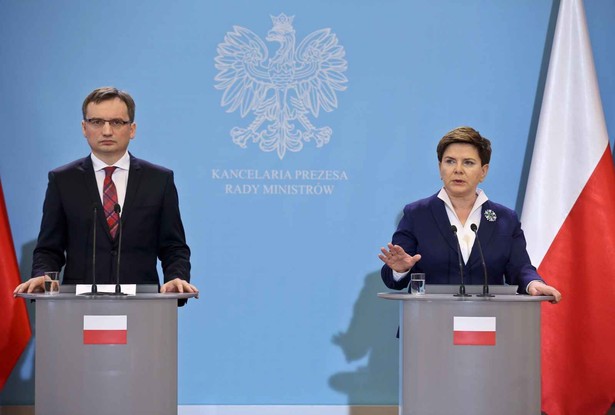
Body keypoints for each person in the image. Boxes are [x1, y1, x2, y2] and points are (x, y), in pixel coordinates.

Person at [14, 87, 198, 295]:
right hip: (78, 304)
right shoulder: (63, 180)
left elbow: (173, 247)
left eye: (117, 122)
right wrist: (43, 274)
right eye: (97, 122)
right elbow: (49, 248)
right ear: (84, 128)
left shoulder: (159, 180)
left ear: (132, 129)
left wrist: (176, 277)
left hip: (143, 303)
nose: (107, 131)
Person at [378, 126, 561, 302]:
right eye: (450, 161)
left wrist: (533, 283)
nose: (458, 169)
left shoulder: (505, 219)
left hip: (489, 325)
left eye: (468, 162)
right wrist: (400, 270)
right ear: (440, 168)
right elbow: (391, 278)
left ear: (483, 171)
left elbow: (520, 268)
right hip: (429, 323)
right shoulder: (416, 214)